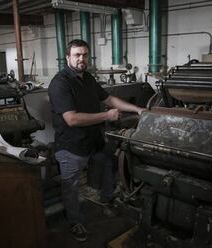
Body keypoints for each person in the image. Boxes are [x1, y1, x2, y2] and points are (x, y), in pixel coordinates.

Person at [48, 39, 144, 242]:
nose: (81, 58)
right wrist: (106, 117)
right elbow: (71, 119)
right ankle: (75, 222)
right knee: (71, 188)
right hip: (71, 146)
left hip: (93, 140)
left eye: (84, 54)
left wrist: (137, 109)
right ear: (68, 57)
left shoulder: (88, 78)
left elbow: (108, 99)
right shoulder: (60, 83)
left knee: (109, 164)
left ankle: (106, 200)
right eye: (77, 55)